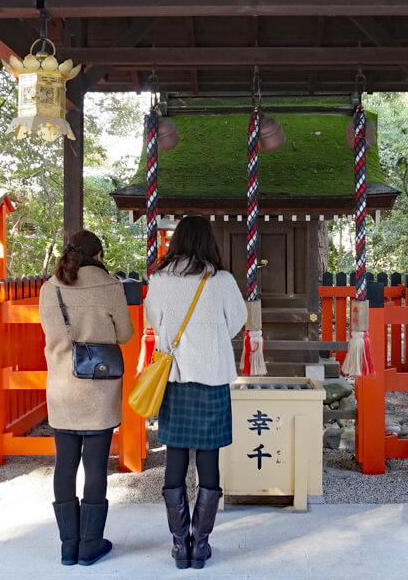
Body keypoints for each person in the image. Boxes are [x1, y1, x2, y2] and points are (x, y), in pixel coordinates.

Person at [144, 215, 247, 569]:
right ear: (209, 242)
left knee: (174, 459)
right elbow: (237, 319)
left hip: (175, 377)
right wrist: (213, 338)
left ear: (176, 242)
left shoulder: (158, 280)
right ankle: (200, 545)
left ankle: (178, 547)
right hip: (213, 377)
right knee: (208, 461)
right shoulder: (222, 280)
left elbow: (153, 322)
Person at [38, 230, 134, 566]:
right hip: (99, 389)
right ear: (100, 254)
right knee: (95, 467)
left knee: (64, 465)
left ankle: (68, 546)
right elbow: (125, 334)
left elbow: (48, 332)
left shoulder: (49, 288)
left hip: (62, 388)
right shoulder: (109, 287)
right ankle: (90, 544)